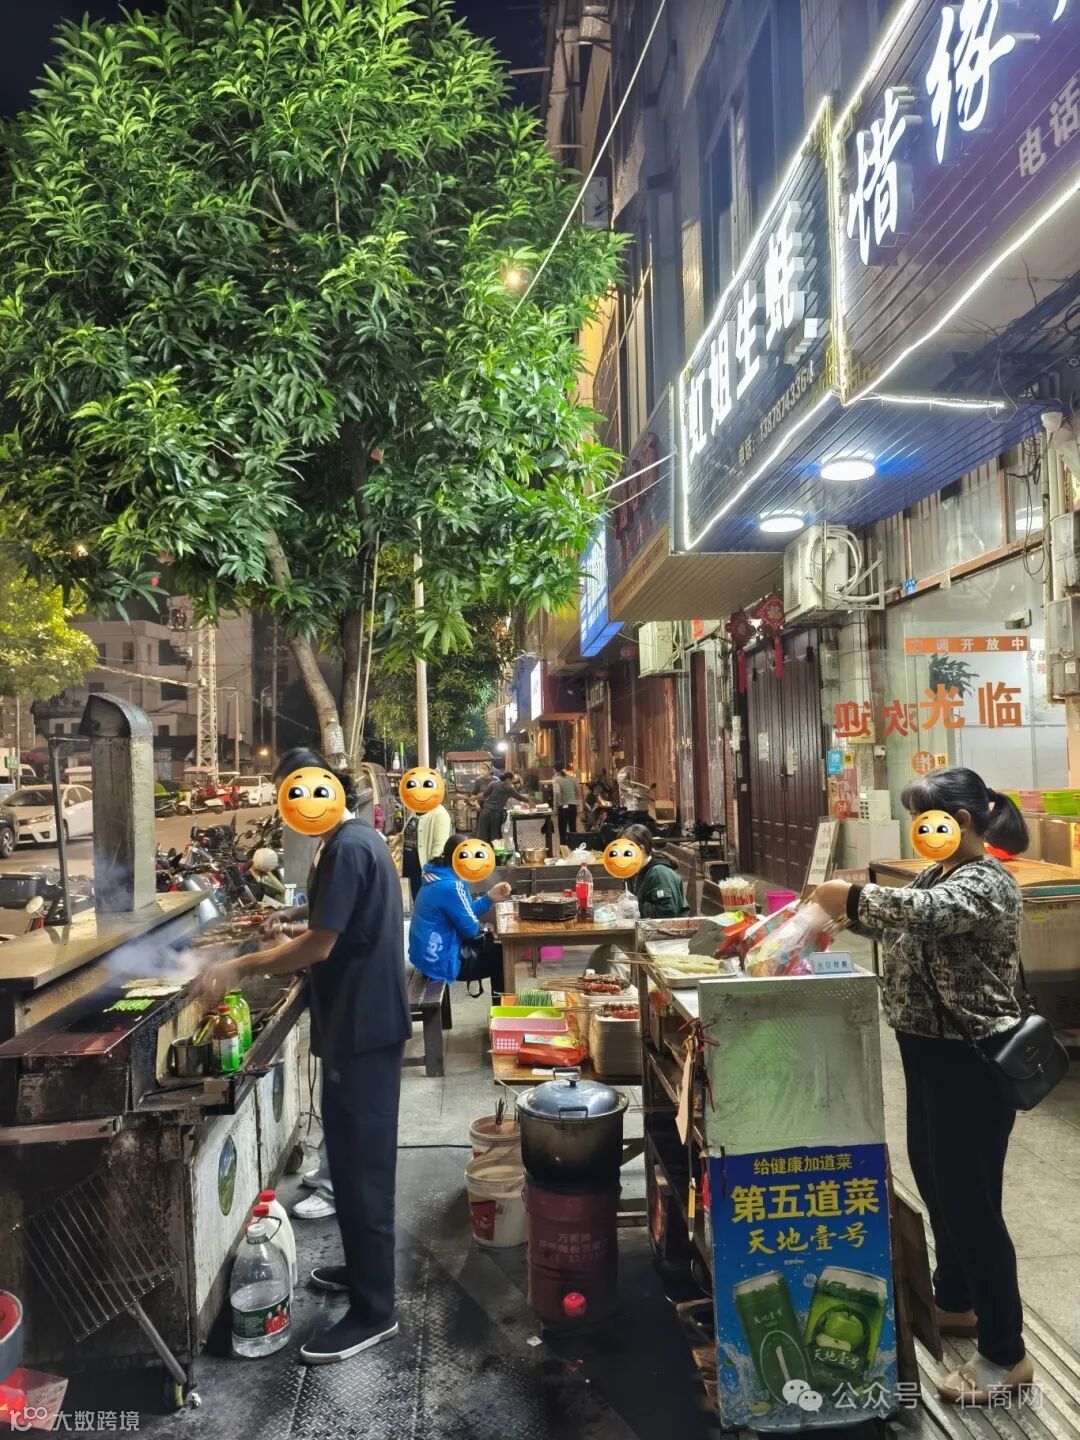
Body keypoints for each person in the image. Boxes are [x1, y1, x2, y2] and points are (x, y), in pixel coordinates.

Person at [810, 767, 1032, 1406]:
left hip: (972, 1060)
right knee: (937, 1184)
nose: (919, 830)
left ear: (959, 822)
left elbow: (927, 915)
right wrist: (835, 915)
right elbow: (899, 921)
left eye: (925, 819)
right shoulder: (938, 874)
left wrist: (850, 896)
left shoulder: (986, 881)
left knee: (971, 1204)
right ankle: (957, 1299)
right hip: (927, 1053)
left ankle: (1005, 1356)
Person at [197, 746, 410, 1365]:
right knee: (349, 1159)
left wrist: (240, 966)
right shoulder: (350, 839)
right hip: (359, 1024)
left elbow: (321, 945)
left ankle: (376, 1311)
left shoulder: (345, 847)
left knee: (363, 1171)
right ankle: (363, 1272)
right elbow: (332, 917)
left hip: (364, 1029)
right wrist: (289, 917)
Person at [409, 833, 511, 994]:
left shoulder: (438, 876)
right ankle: (502, 1007)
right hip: (439, 961)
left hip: (424, 955)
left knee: (497, 950)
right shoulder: (450, 886)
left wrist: (490, 897)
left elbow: (465, 912)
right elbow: (470, 930)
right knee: (503, 958)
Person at [622, 824, 690, 918]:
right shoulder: (637, 870)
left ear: (641, 848)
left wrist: (635, 907)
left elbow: (667, 913)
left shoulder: (659, 872)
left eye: (625, 850)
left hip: (671, 926)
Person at [475, 770, 529, 843]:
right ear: (508, 779)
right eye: (511, 781)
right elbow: (518, 797)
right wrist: (529, 802)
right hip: (495, 814)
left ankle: (481, 849)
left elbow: (484, 795)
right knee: (494, 837)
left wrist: (473, 798)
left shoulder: (493, 783)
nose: (511, 783)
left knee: (482, 835)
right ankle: (493, 850)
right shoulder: (508, 788)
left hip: (485, 812)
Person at [551, 766, 579, 843]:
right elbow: (577, 789)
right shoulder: (571, 778)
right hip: (573, 807)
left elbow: (557, 794)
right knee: (573, 829)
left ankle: (563, 848)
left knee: (562, 831)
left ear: (555, 770)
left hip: (563, 808)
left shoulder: (556, 780)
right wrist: (573, 798)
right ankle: (574, 846)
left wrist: (556, 808)